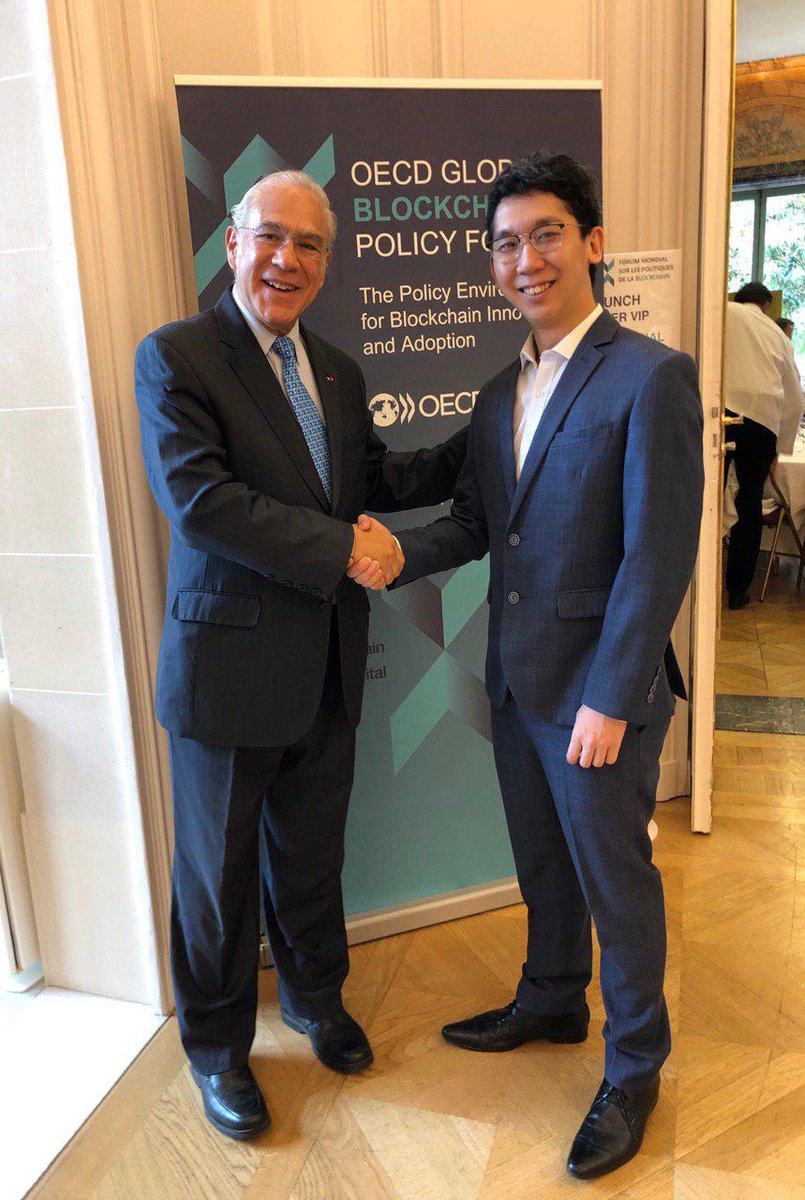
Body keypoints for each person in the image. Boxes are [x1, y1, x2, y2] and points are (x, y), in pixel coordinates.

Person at [350, 152, 703, 1180]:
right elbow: (474, 522)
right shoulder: (502, 384)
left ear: (591, 243)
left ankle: (633, 1064)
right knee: (543, 868)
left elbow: (657, 551)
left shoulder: (651, 375)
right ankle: (551, 999)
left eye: (545, 233)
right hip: (514, 681)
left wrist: (613, 695)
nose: (524, 258)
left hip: (598, 697)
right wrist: (392, 555)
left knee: (615, 884)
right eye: (506, 243)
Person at [135, 170, 466, 1140]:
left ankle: (316, 1002)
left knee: (312, 860)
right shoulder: (178, 356)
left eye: (309, 245)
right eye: (270, 237)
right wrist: (344, 551)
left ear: (327, 262)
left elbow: (374, 474)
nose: (287, 259)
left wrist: (482, 436)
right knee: (217, 879)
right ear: (232, 243)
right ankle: (219, 1051)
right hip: (227, 675)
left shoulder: (335, 368)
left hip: (326, 663)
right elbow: (202, 502)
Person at [724, 282, 803, 609]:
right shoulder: (775, 333)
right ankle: (738, 590)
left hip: (721, 409)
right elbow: (795, 398)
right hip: (761, 424)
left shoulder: (722, 312)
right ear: (767, 305)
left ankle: (698, 579)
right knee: (750, 498)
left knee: (707, 496)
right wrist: (779, 450)